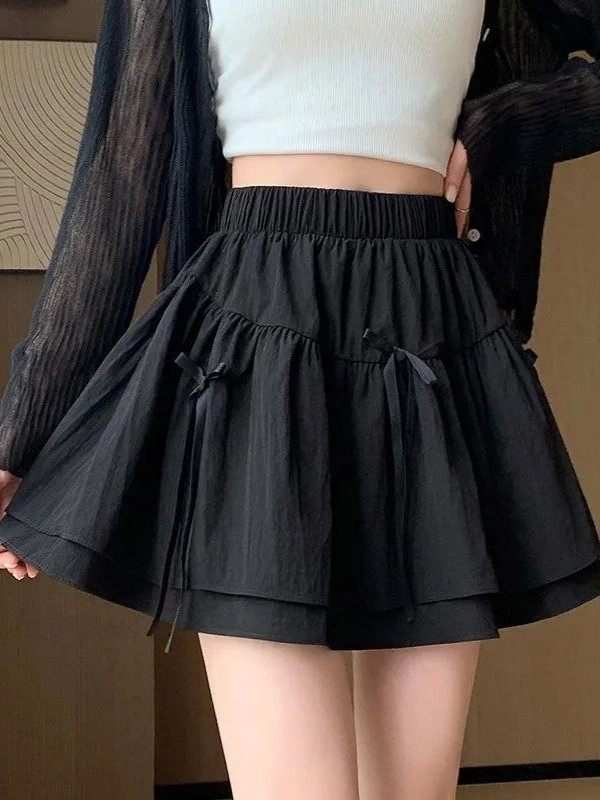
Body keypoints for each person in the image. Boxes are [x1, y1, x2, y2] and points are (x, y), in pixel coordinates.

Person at [1, 1, 600, 798]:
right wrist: (24, 432)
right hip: (256, 342)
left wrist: (509, 119)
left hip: (431, 334)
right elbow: (120, 178)